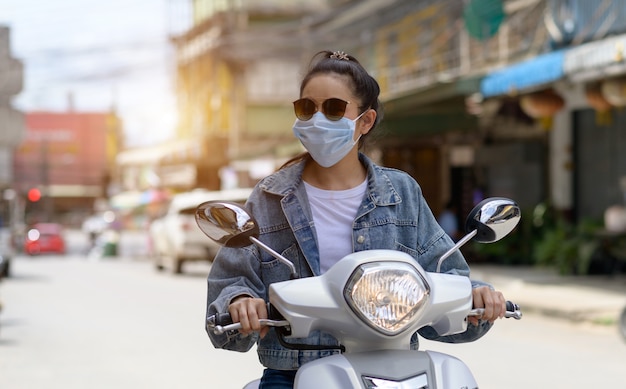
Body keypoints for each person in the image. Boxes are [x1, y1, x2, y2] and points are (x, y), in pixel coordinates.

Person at [206, 50, 507, 388]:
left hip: (394, 369)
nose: (317, 118)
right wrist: (239, 303)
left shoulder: (401, 192)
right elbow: (232, 282)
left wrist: (479, 295)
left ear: (365, 121)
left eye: (334, 108)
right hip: (292, 371)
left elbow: (444, 273)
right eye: (307, 108)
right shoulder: (269, 196)